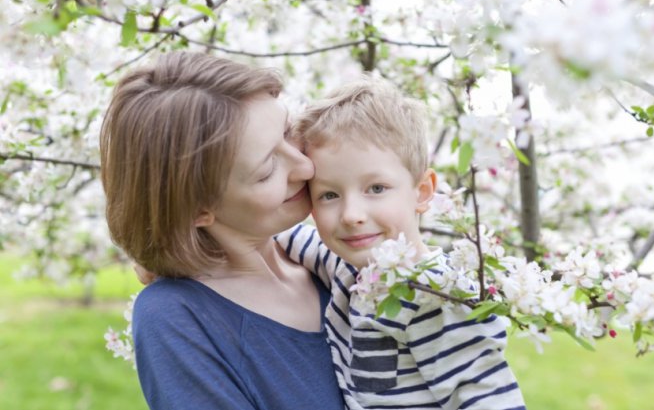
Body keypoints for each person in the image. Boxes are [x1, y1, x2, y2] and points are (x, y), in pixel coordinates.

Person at [99, 52, 344, 410]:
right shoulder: (177, 317)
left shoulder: (333, 256)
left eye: (288, 132)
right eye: (265, 170)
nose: (305, 167)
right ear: (198, 209)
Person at [275, 77, 527, 410]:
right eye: (329, 195)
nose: (351, 215)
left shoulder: (432, 296)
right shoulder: (349, 268)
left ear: (422, 191)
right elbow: (292, 238)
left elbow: (487, 398)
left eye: (376, 188)